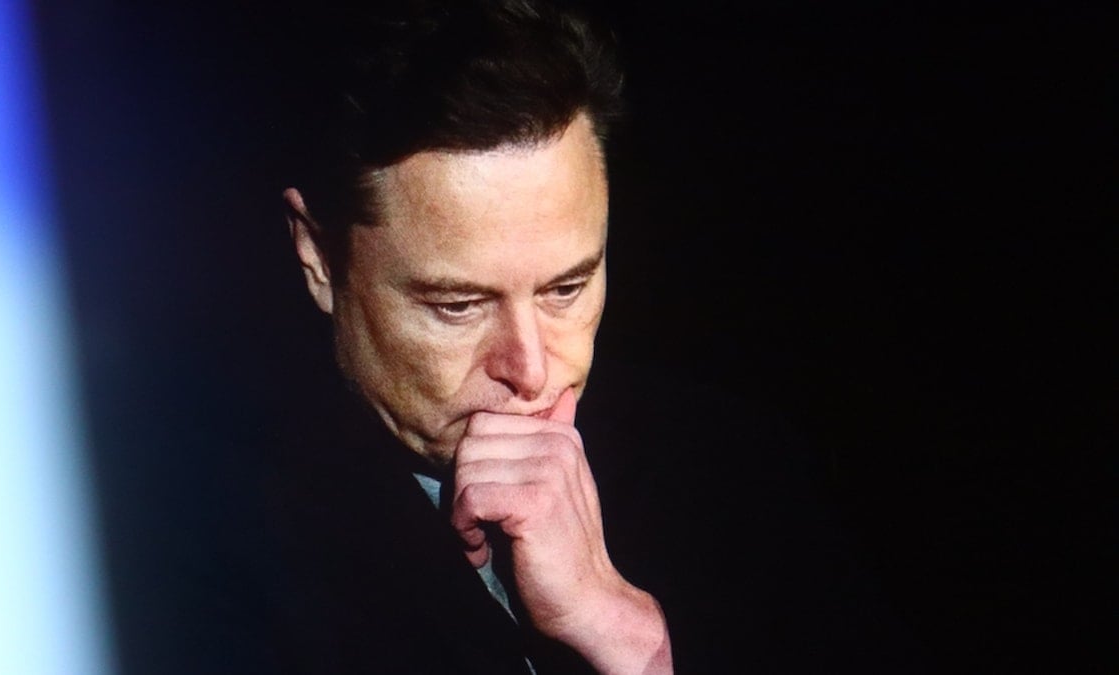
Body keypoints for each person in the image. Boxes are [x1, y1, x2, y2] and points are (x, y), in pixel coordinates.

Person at [254, 1, 922, 672]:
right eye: (458, 306)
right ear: (318, 256)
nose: (531, 369)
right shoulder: (214, 535)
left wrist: (629, 635)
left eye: (566, 289)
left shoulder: (737, 472)